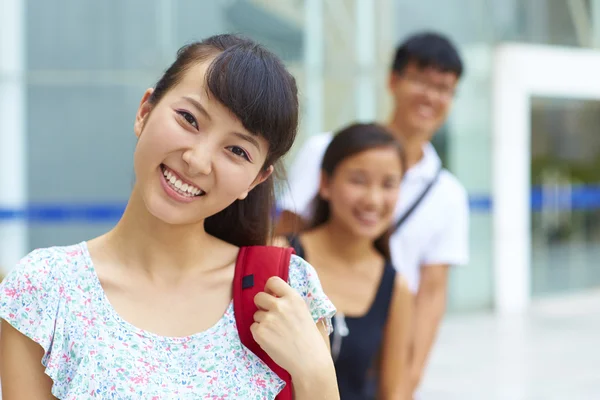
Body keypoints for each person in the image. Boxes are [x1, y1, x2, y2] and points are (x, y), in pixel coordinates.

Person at [0, 34, 339, 399]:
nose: (197, 160)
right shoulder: (45, 291)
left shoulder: (285, 291)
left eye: (237, 150)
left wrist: (316, 372)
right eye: (189, 119)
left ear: (256, 179)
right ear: (144, 111)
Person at [275, 31, 469, 396]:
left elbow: (431, 295)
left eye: (444, 88)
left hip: (377, 339)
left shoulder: (449, 195)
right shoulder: (326, 150)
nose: (431, 96)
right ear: (394, 80)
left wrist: (407, 383)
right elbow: (283, 241)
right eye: (421, 81)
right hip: (308, 316)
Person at [275, 123, 413, 399]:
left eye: (388, 184)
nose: (373, 200)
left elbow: (394, 392)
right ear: (325, 184)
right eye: (358, 180)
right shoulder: (280, 257)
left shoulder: (395, 287)